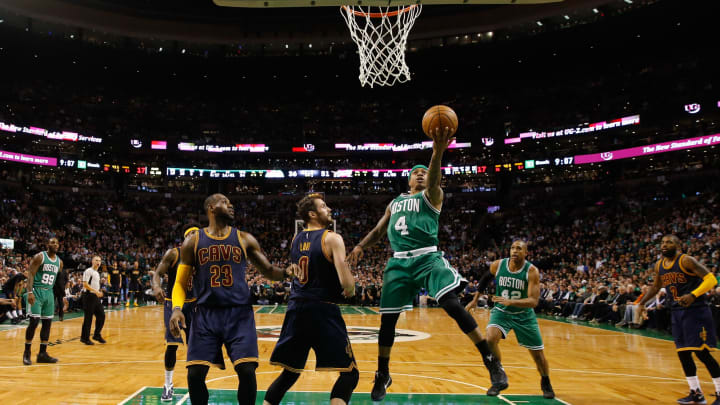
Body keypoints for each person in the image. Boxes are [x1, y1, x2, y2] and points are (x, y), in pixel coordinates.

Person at [346, 127, 507, 400]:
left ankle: (491, 361)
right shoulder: (395, 202)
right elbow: (378, 231)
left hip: (428, 258)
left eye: (424, 171)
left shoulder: (432, 195)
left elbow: (433, 178)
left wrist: (437, 152)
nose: (420, 174)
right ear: (408, 180)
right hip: (398, 263)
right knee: (387, 323)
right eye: (415, 172)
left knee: (453, 305)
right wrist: (361, 245)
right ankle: (382, 373)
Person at [169, 193, 294, 405]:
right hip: (206, 314)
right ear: (211, 208)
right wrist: (176, 308)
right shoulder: (194, 241)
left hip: (239, 313)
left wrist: (285, 272)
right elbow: (180, 283)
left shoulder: (244, 239)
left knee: (246, 370)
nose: (231, 205)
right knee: (195, 374)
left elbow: (269, 270)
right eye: (225, 202)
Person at [264, 195, 358, 405]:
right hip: (322, 310)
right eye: (324, 206)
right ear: (312, 214)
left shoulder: (295, 240)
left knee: (290, 374)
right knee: (350, 374)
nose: (330, 209)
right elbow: (347, 283)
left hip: (296, 309)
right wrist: (351, 288)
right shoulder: (332, 238)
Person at [637, 235, 720, 405]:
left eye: (669, 242)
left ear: (678, 245)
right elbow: (656, 286)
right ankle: (695, 392)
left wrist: (693, 294)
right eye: (662, 243)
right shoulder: (659, 265)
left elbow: (711, 279)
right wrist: (641, 303)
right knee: (683, 353)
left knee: (701, 353)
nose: (664, 245)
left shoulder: (686, 261)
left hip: (695, 311)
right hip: (676, 312)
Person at [466, 240, 555, 398]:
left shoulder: (531, 271)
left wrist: (511, 302)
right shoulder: (498, 265)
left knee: (538, 356)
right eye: (513, 248)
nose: (514, 251)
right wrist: (475, 300)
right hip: (501, 311)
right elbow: (486, 278)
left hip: (524, 315)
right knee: (490, 338)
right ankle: (498, 377)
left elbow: (533, 301)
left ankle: (545, 381)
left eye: (519, 249)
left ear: (525, 253)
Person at [152, 223, 200, 402]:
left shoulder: (203, 256)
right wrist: (156, 286)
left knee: (196, 346)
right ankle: (168, 384)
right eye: (192, 234)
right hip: (174, 304)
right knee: (172, 344)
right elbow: (157, 273)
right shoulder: (174, 253)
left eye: (198, 234)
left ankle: (195, 383)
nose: (196, 237)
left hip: (194, 304)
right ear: (186, 237)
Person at [23, 237, 63, 365]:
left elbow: (58, 282)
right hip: (37, 291)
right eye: (52, 242)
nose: (55, 244)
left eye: (57, 243)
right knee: (34, 322)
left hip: (49, 293)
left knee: (47, 324)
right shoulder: (40, 257)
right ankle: (27, 352)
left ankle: (42, 354)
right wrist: (29, 292)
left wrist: (61, 298)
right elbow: (31, 274)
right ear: (47, 244)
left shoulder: (59, 262)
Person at [81, 256, 106, 345]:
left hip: (95, 297)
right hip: (88, 296)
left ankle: (96, 335)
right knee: (88, 318)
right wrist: (96, 291)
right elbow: (85, 284)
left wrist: (99, 291)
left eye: (99, 260)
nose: (98, 262)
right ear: (92, 261)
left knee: (101, 315)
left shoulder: (97, 273)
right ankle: (84, 338)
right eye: (96, 260)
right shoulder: (88, 271)